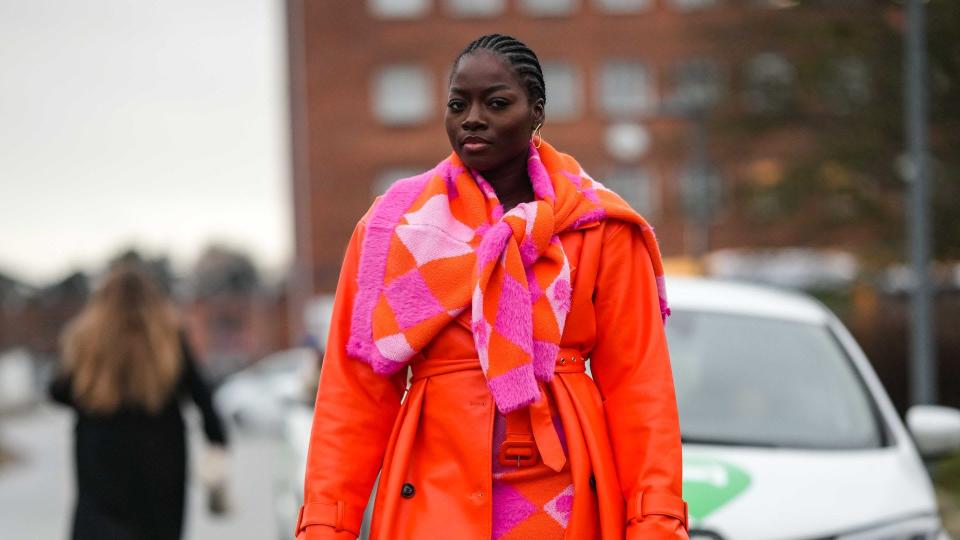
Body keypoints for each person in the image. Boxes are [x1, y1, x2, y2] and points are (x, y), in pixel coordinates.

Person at [297, 34, 687, 540]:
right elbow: (353, 394)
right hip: (436, 492)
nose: (472, 118)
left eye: (496, 103)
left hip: (567, 498)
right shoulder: (390, 227)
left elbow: (640, 386)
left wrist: (655, 521)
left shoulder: (601, 225)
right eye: (458, 104)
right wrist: (327, 525)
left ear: (536, 112)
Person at [49, 263, 228, 540]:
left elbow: (58, 391)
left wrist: (96, 394)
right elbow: (200, 393)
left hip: (101, 454)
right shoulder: (169, 337)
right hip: (162, 456)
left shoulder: (85, 338)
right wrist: (217, 439)